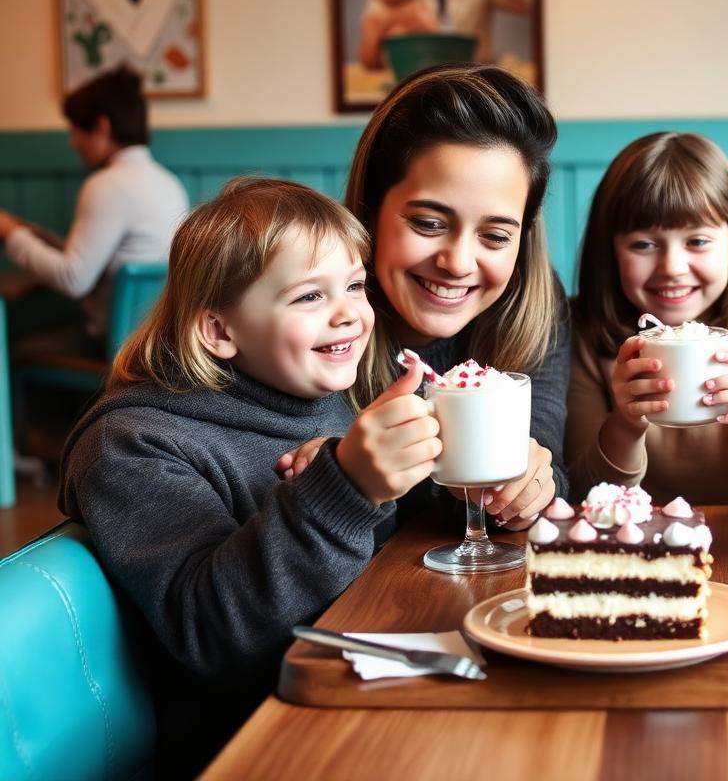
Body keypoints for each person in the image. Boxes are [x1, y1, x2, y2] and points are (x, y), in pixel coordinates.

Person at [58, 178, 441, 778]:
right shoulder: (133, 445)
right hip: (256, 746)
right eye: (309, 296)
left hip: (360, 700)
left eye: (355, 284)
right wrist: (343, 491)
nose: (350, 314)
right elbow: (211, 630)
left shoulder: (314, 393)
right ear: (221, 332)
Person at [282, 64, 566, 527]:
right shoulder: (310, 318)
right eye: (429, 224)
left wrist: (533, 485)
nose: (457, 262)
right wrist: (340, 478)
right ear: (370, 211)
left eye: (495, 236)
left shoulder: (532, 303)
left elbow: (545, 450)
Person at [567, 132, 728, 507]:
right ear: (610, 252)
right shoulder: (584, 332)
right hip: (637, 554)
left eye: (698, 241)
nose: (672, 267)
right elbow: (580, 494)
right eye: (643, 244)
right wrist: (625, 425)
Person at [0, 64, 189, 353]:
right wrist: (33, 233)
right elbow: (98, 260)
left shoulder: (106, 185)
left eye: (76, 130)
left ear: (102, 126)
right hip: (160, 341)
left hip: (114, 344)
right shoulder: (169, 183)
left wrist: (11, 234)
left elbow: (73, 279)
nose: (73, 142)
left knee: (22, 351)